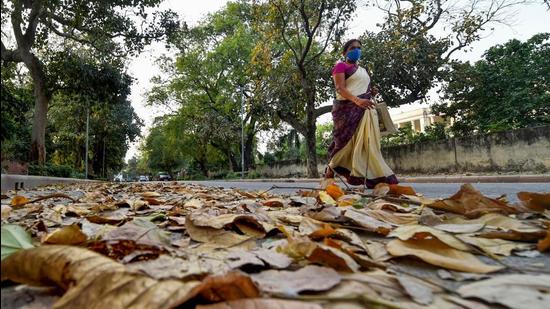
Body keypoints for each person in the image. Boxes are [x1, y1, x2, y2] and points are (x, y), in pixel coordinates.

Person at [325, 39, 398, 188]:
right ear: (345, 52)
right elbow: (340, 88)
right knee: (342, 144)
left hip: (364, 112)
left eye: (359, 48)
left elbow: (363, 89)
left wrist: (371, 92)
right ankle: (329, 174)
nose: (356, 50)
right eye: (352, 48)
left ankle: (374, 177)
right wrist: (357, 101)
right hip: (346, 111)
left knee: (367, 143)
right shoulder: (340, 66)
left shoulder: (364, 71)